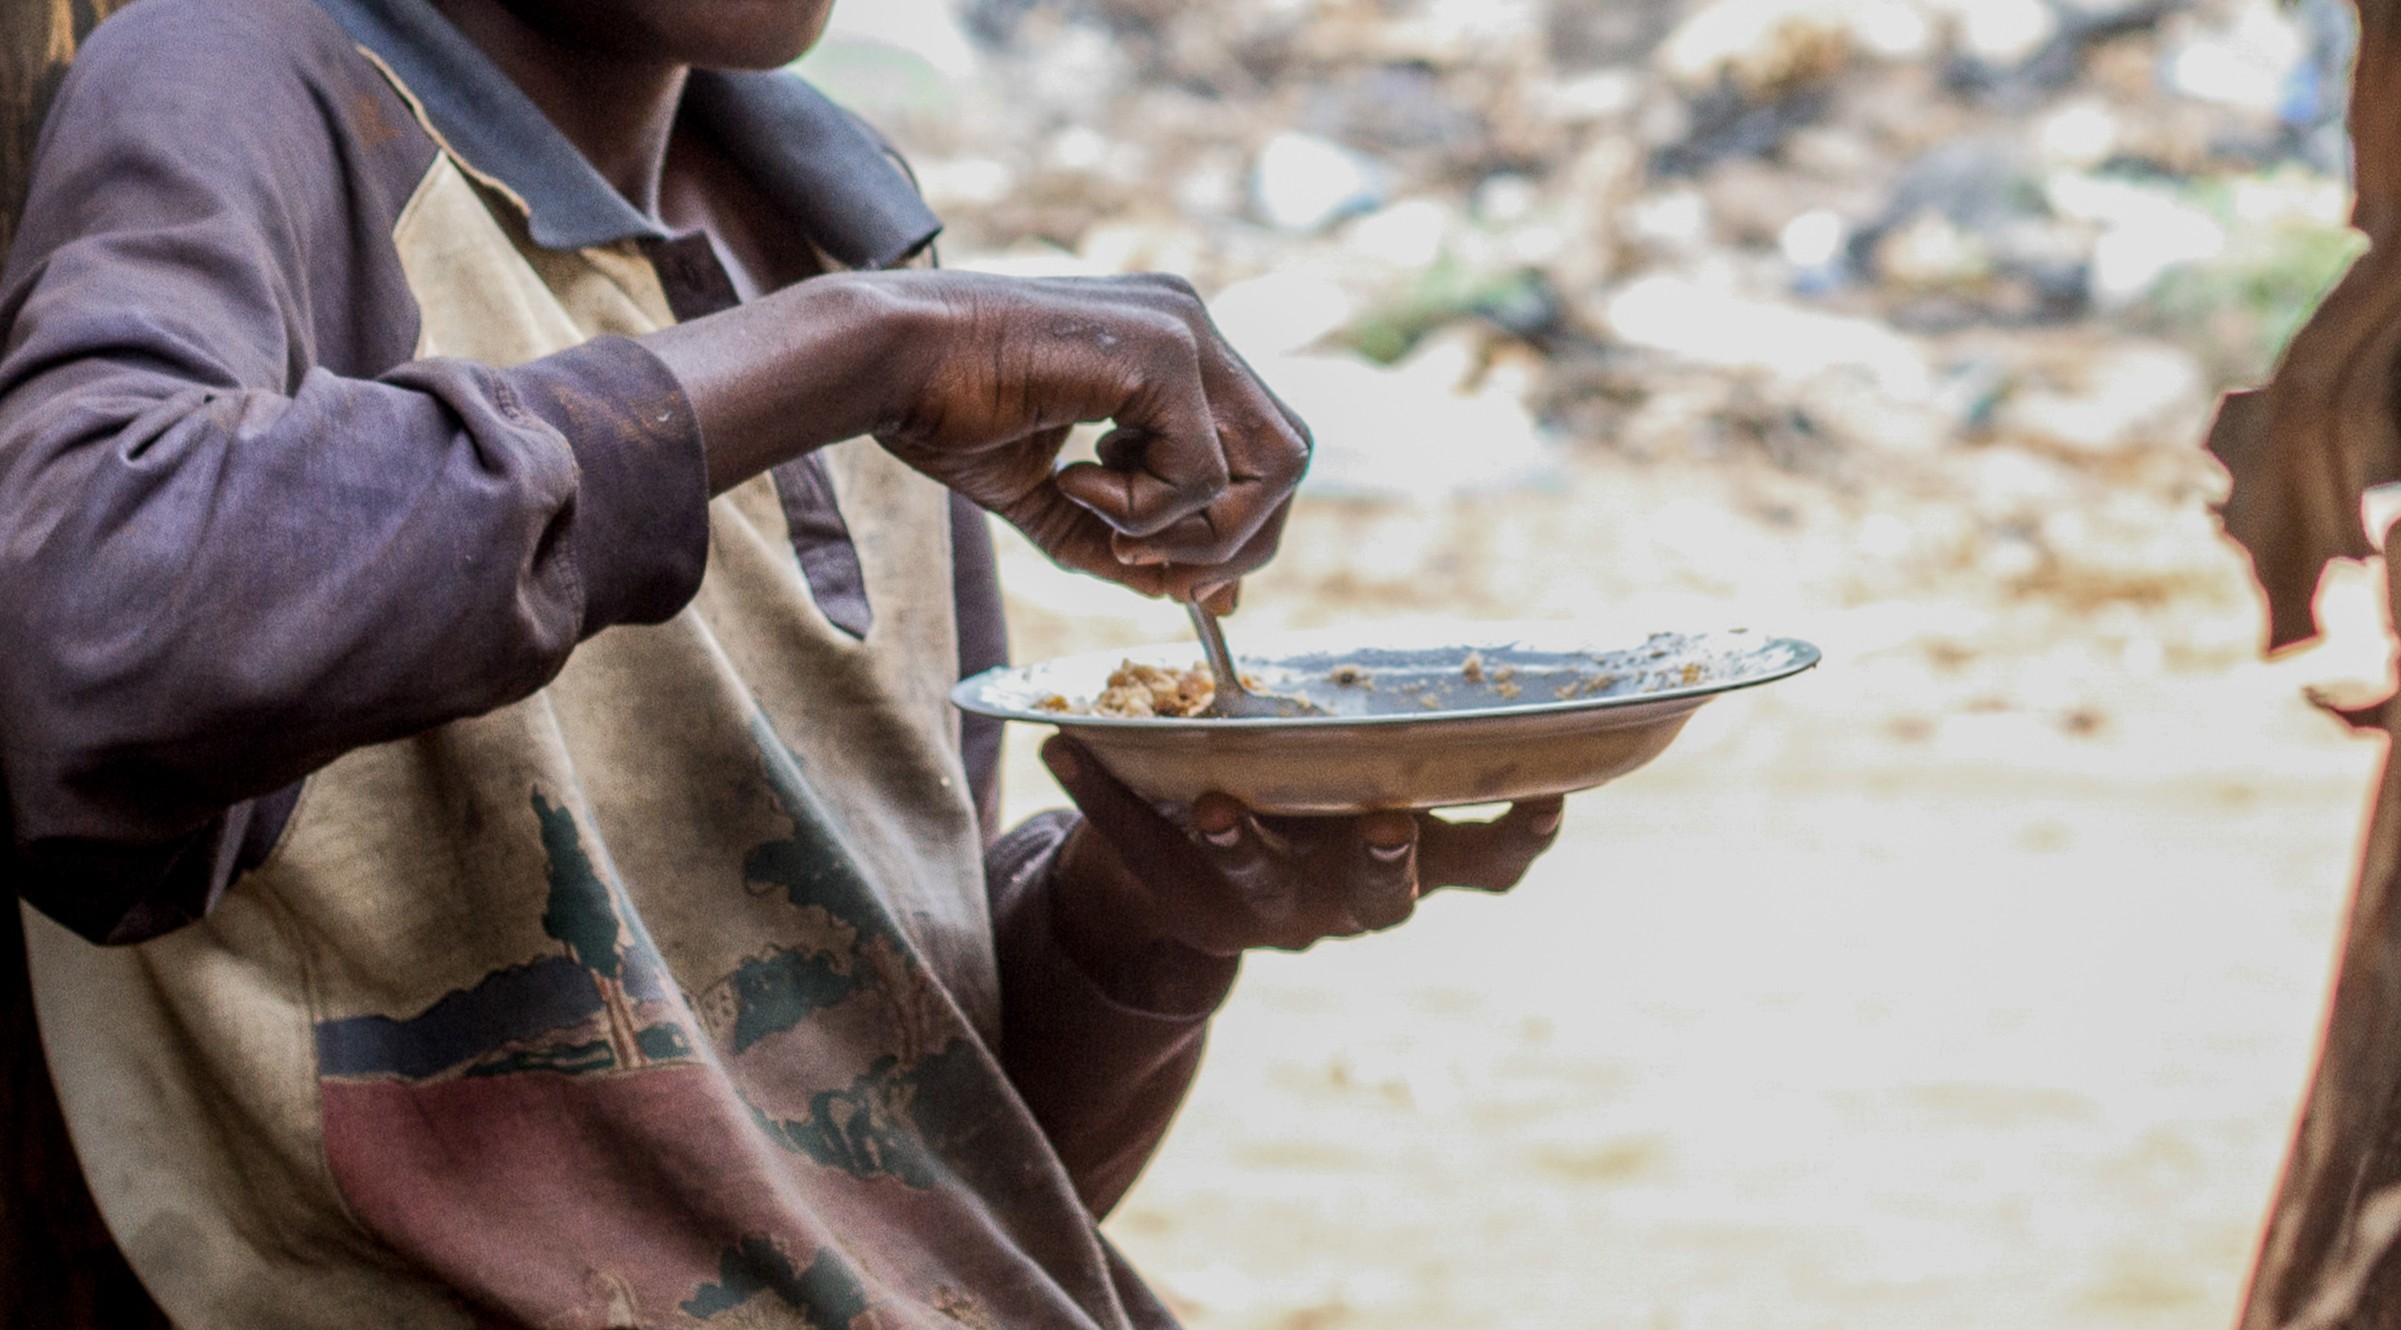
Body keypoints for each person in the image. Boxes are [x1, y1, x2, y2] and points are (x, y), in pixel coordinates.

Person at [0, 0, 1567, 1323]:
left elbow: (897, 1199)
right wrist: (856, 352)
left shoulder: (834, 221)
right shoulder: (247, 78)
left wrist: (1144, 923)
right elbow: (86, 630)